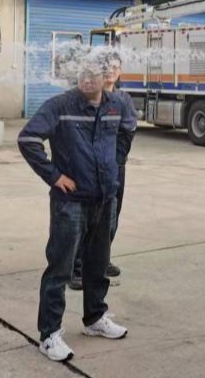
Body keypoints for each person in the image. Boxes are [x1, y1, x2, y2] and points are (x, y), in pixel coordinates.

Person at [17, 57, 137, 362]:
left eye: (93, 74)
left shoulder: (116, 105)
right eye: (82, 74)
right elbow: (28, 139)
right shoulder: (61, 106)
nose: (87, 79)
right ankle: (49, 334)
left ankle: (95, 318)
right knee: (60, 268)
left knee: (98, 264)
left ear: (105, 77)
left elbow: (126, 133)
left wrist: (114, 166)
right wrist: (54, 176)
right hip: (70, 202)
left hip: (104, 199)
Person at [69, 49, 135, 289]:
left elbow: (128, 131)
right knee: (86, 219)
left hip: (114, 168)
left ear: (120, 71)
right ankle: (76, 269)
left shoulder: (123, 100)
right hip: (89, 169)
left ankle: (100, 261)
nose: (110, 71)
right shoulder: (87, 97)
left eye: (115, 66)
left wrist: (115, 159)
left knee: (111, 217)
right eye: (106, 66)